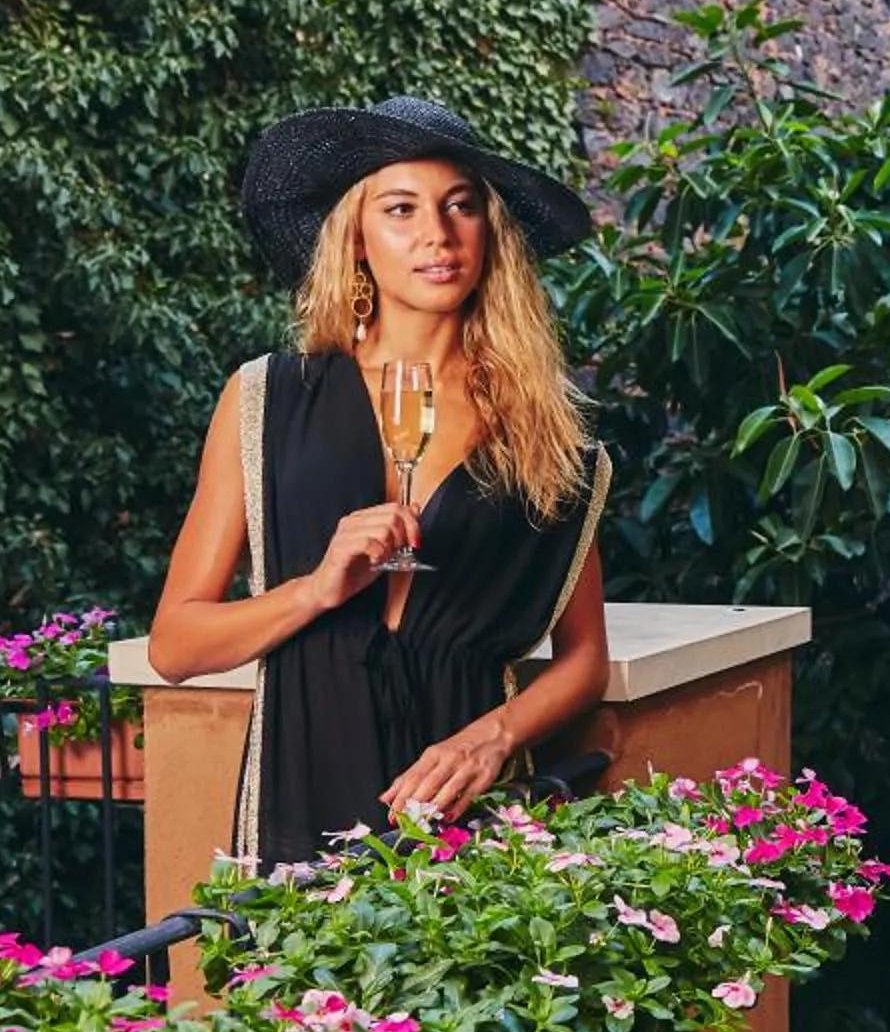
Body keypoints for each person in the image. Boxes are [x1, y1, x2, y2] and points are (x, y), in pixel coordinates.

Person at [147, 94, 611, 866]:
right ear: (356, 239)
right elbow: (175, 646)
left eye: (460, 206)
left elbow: (583, 657)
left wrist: (492, 738)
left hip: (467, 805)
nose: (437, 234)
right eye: (401, 208)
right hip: (303, 791)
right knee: (300, 983)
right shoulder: (266, 401)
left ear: (489, 233)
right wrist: (315, 590)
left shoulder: (548, 432)